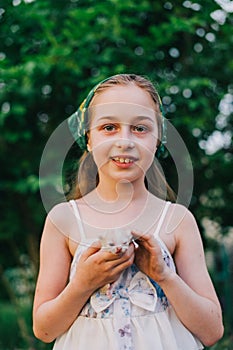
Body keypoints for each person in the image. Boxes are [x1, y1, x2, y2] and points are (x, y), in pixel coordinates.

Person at [33, 74, 224, 350]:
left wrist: (164, 276)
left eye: (140, 128)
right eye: (109, 127)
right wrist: (83, 284)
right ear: (88, 139)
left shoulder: (177, 221)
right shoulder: (64, 219)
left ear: (158, 140)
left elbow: (212, 331)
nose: (125, 141)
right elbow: (44, 330)